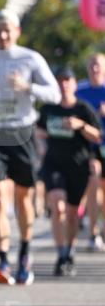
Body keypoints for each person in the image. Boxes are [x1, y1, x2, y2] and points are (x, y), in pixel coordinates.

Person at [0, 8, 60, 285]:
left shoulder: (30, 58)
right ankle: (2, 260)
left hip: (23, 132)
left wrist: (27, 87)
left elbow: (55, 93)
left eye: (7, 31)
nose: (2, 35)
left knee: (24, 198)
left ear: (17, 31)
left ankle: (24, 252)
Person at [37, 66, 102, 276]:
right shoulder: (49, 108)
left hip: (78, 165)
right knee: (58, 206)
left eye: (67, 80)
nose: (63, 84)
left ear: (74, 84)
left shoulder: (83, 109)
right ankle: (60, 253)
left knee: (72, 214)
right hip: (54, 164)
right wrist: (41, 140)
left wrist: (80, 126)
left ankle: (69, 252)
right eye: (60, 80)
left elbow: (97, 136)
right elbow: (38, 130)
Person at [76, 52, 105, 251]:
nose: (95, 69)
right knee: (93, 182)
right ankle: (93, 233)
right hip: (89, 147)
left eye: (99, 65)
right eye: (92, 65)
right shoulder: (80, 91)